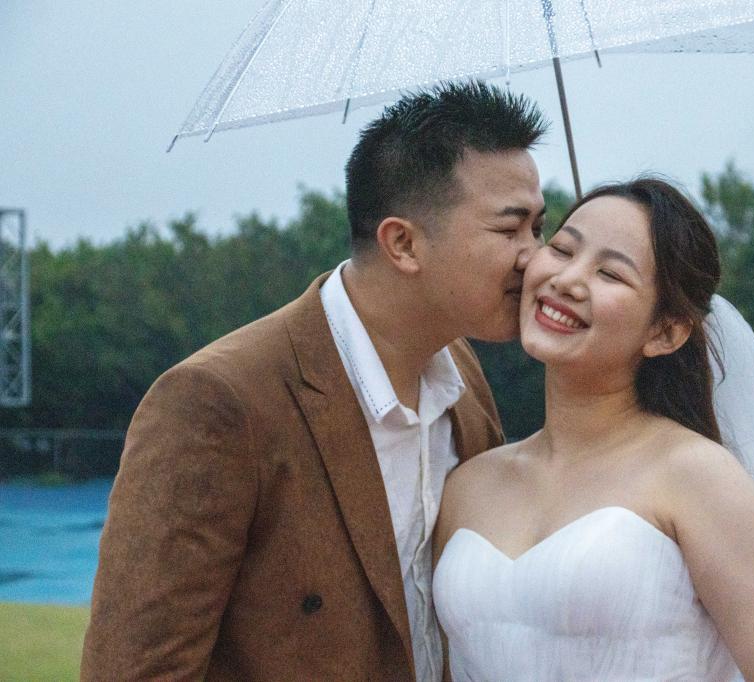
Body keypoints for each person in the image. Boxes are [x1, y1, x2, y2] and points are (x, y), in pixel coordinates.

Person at [81, 82, 548, 681]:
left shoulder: (463, 379)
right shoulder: (217, 403)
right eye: (510, 230)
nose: (536, 256)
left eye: (538, 228)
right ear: (403, 243)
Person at [433, 178, 754, 681]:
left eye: (610, 273)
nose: (567, 280)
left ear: (665, 332)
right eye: (561, 249)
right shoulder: (467, 485)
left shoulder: (700, 479)